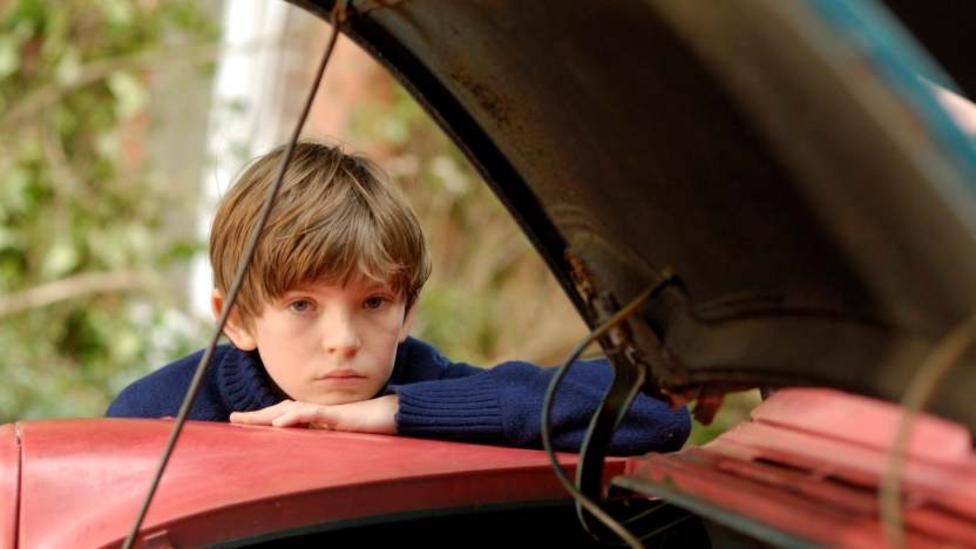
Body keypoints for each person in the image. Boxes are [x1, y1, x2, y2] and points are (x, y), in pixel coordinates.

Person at [106, 141, 690, 455]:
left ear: (408, 310)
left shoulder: (425, 383)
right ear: (236, 319)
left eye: (374, 303)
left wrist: (394, 412)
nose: (343, 341)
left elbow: (658, 413)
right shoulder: (158, 412)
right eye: (302, 305)